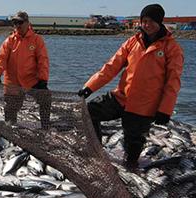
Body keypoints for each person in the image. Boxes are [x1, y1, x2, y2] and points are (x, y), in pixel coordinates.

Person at [77, 4, 183, 168]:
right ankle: (96, 152)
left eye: (151, 21)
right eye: (144, 21)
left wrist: (165, 110)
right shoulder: (133, 42)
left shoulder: (172, 48)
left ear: (160, 22)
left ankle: (131, 169)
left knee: (132, 149)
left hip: (144, 107)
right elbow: (111, 67)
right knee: (89, 112)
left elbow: (173, 82)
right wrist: (89, 87)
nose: (147, 25)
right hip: (120, 98)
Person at [0, 11, 51, 129]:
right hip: (12, 82)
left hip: (32, 81)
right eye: (14, 22)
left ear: (28, 23)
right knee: (10, 109)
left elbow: (43, 61)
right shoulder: (9, 41)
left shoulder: (37, 40)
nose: (17, 25)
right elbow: (1, 59)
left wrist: (43, 80)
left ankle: (45, 127)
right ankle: (10, 131)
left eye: (20, 22)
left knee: (45, 100)